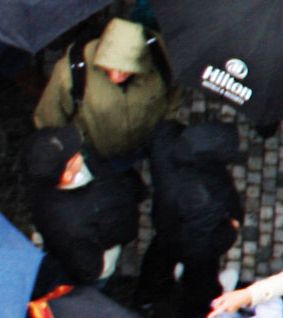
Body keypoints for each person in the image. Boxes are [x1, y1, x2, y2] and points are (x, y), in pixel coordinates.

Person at [33, 19, 178, 162]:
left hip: (146, 148)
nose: (117, 77)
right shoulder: (69, 73)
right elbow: (49, 119)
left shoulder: (162, 56)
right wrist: (70, 159)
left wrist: (163, 136)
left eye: (126, 70)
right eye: (111, 67)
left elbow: (175, 94)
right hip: (93, 157)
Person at [139, 121, 243, 318]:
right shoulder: (204, 197)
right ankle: (199, 310)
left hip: (165, 219)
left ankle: (147, 297)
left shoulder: (165, 137)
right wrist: (231, 230)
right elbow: (202, 244)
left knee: (160, 255)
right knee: (200, 277)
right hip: (190, 233)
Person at [24, 127, 147, 292]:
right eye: (75, 155)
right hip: (97, 253)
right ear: (67, 175)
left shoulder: (48, 172)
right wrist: (110, 258)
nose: (81, 150)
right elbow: (89, 271)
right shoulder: (71, 226)